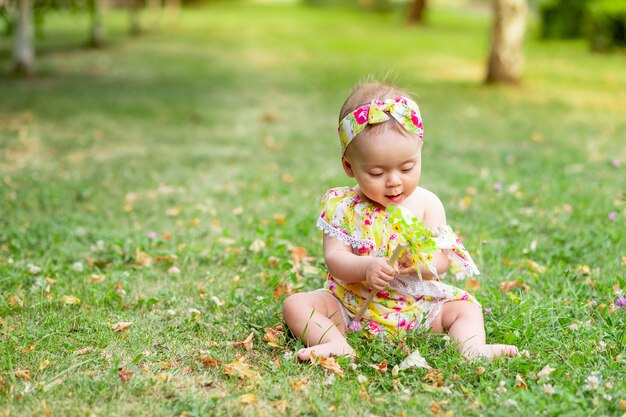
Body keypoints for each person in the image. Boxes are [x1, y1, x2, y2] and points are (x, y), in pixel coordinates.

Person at [282, 82, 519, 360]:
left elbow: (443, 260)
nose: (394, 181)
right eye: (377, 172)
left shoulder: (427, 204)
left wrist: (422, 264)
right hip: (351, 304)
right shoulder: (342, 206)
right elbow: (334, 259)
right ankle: (336, 343)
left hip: (417, 307)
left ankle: (472, 348)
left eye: (407, 167)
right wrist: (366, 266)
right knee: (296, 305)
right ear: (349, 167)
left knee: (466, 309)